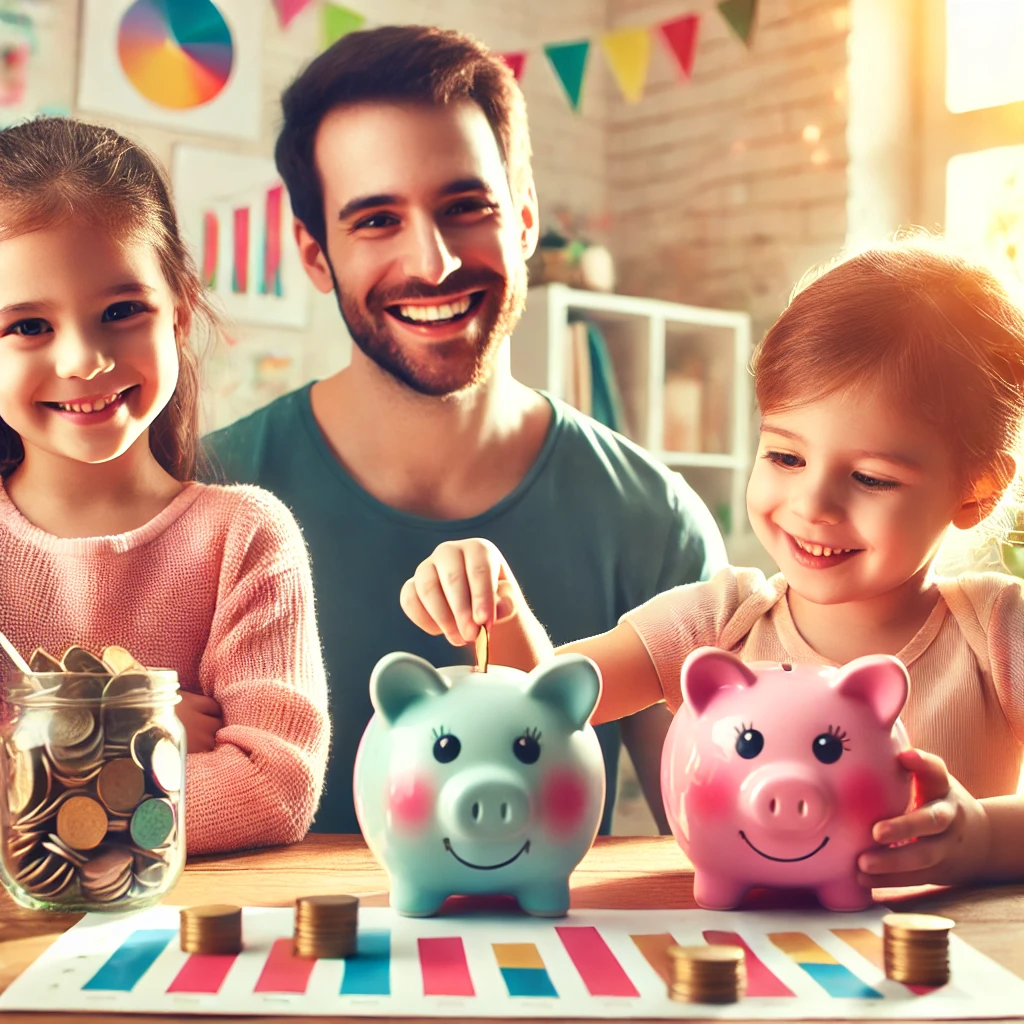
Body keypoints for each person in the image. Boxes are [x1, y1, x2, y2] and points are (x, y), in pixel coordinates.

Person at [202, 25, 726, 835]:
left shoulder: (654, 522)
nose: (435, 262)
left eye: (465, 207)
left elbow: (717, 842)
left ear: (522, 221)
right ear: (315, 255)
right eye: (377, 220)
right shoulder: (208, 495)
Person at [404, 238, 1024, 888]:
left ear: (975, 490)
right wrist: (495, 603)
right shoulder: (718, 620)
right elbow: (536, 706)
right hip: (741, 965)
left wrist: (981, 837)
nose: (812, 505)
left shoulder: (995, 632)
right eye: (785, 457)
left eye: (870, 478)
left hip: (943, 972)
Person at [0, 118, 329, 854]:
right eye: (26, 326)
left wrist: (43, 780)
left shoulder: (246, 539)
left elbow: (274, 787)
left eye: (121, 312)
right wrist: (132, 743)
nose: (84, 360)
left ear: (179, 313)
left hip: (185, 946)